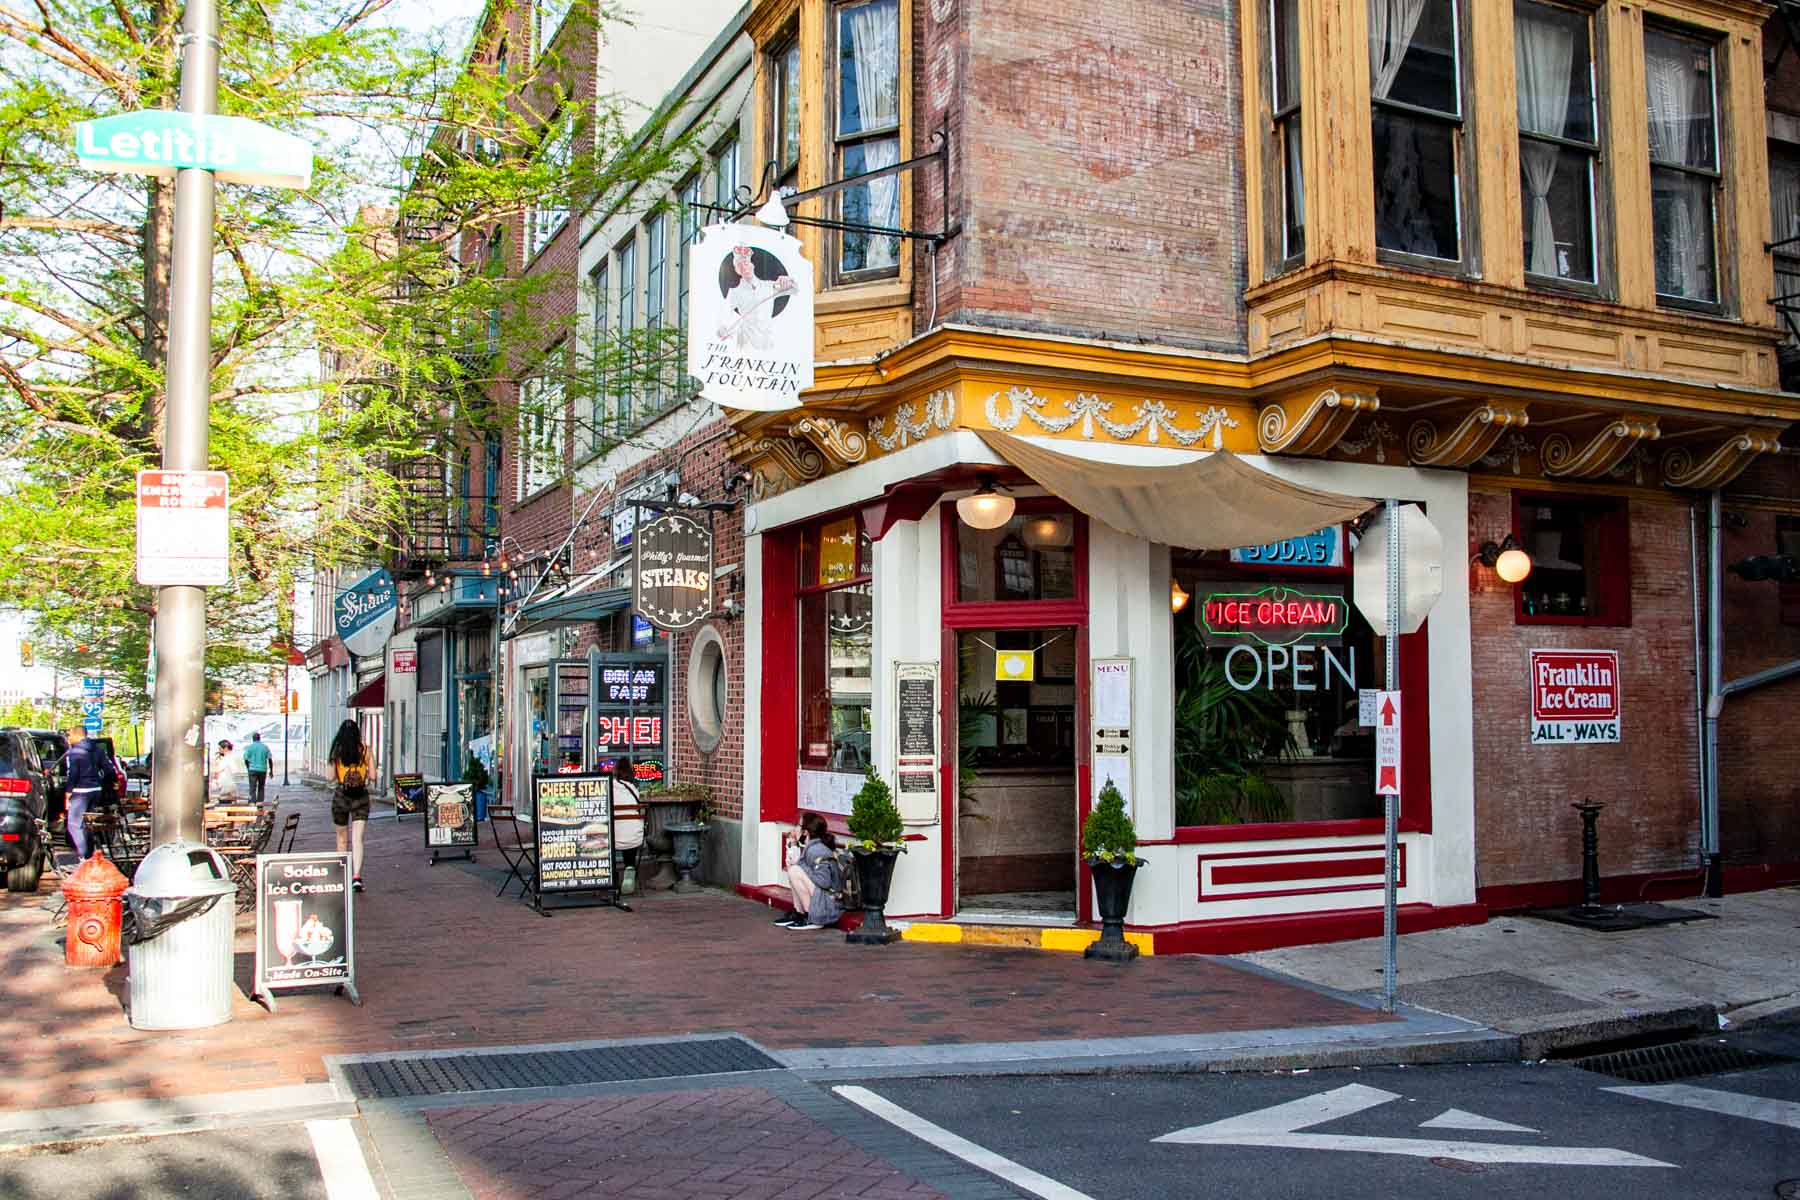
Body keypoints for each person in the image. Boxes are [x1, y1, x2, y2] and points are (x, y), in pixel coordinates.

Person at [772, 811, 843, 931]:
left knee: (795, 870)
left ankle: (812, 918)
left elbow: (824, 881)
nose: (795, 828)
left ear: (806, 832)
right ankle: (799, 913)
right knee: (794, 870)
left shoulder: (817, 850)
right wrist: (793, 846)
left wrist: (801, 867)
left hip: (829, 905)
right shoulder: (811, 848)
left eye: (798, 826)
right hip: (825, 899)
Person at [717, 244, 794, 352]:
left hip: (767, 339)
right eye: (740, 266)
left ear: (752, 265)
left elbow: (795, 290)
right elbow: (724, 313)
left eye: (746, 263)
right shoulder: (735, 292)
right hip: (747, 340)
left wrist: (788, 280)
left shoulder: (769, 286)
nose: (744, 268)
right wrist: (722, 328)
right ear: (737, 270)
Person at [328, 720, 371, 892]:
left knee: (341, 838)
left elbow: (330, 776)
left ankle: (342, 875)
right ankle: (356, 876)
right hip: (361, 796)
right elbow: (374, 775)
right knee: (358, 839)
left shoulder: (336, 752)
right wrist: (364, 771)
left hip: (341, 796)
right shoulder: (366, 750)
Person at [60, 726, 115, 859]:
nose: (68, 739)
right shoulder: (98, 749)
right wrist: (105, 784)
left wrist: (68, 793)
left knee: (74, 825)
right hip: (96, 791)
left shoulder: (74, 752)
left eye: (70, 736)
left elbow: (73, 774)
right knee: (88, 824)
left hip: (80, 792)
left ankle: (85, 857)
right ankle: (90, 854)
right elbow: (109, 769)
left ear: (77, 736)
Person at [242, 732, 273, 806]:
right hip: (263, 770)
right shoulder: (265, 747)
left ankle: (252, 801)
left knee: (252, 786)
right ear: (259, 738)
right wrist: (271, 771)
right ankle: (260, 801)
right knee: (261, 786)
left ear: (253, 739)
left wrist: (248, 767)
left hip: (252, 769)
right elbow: (270, 759)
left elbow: (245, 758)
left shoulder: (249, 747)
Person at [208, 739, 238, 804]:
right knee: (230, 806)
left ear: (226, 748)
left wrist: (214, 781)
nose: (219, 750)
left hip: (225, 786)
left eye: (220, 748)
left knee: (225, 805)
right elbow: (234, 770)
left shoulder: (226, 758)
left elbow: (218, 771)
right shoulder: (230, 757)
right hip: (230, 785)